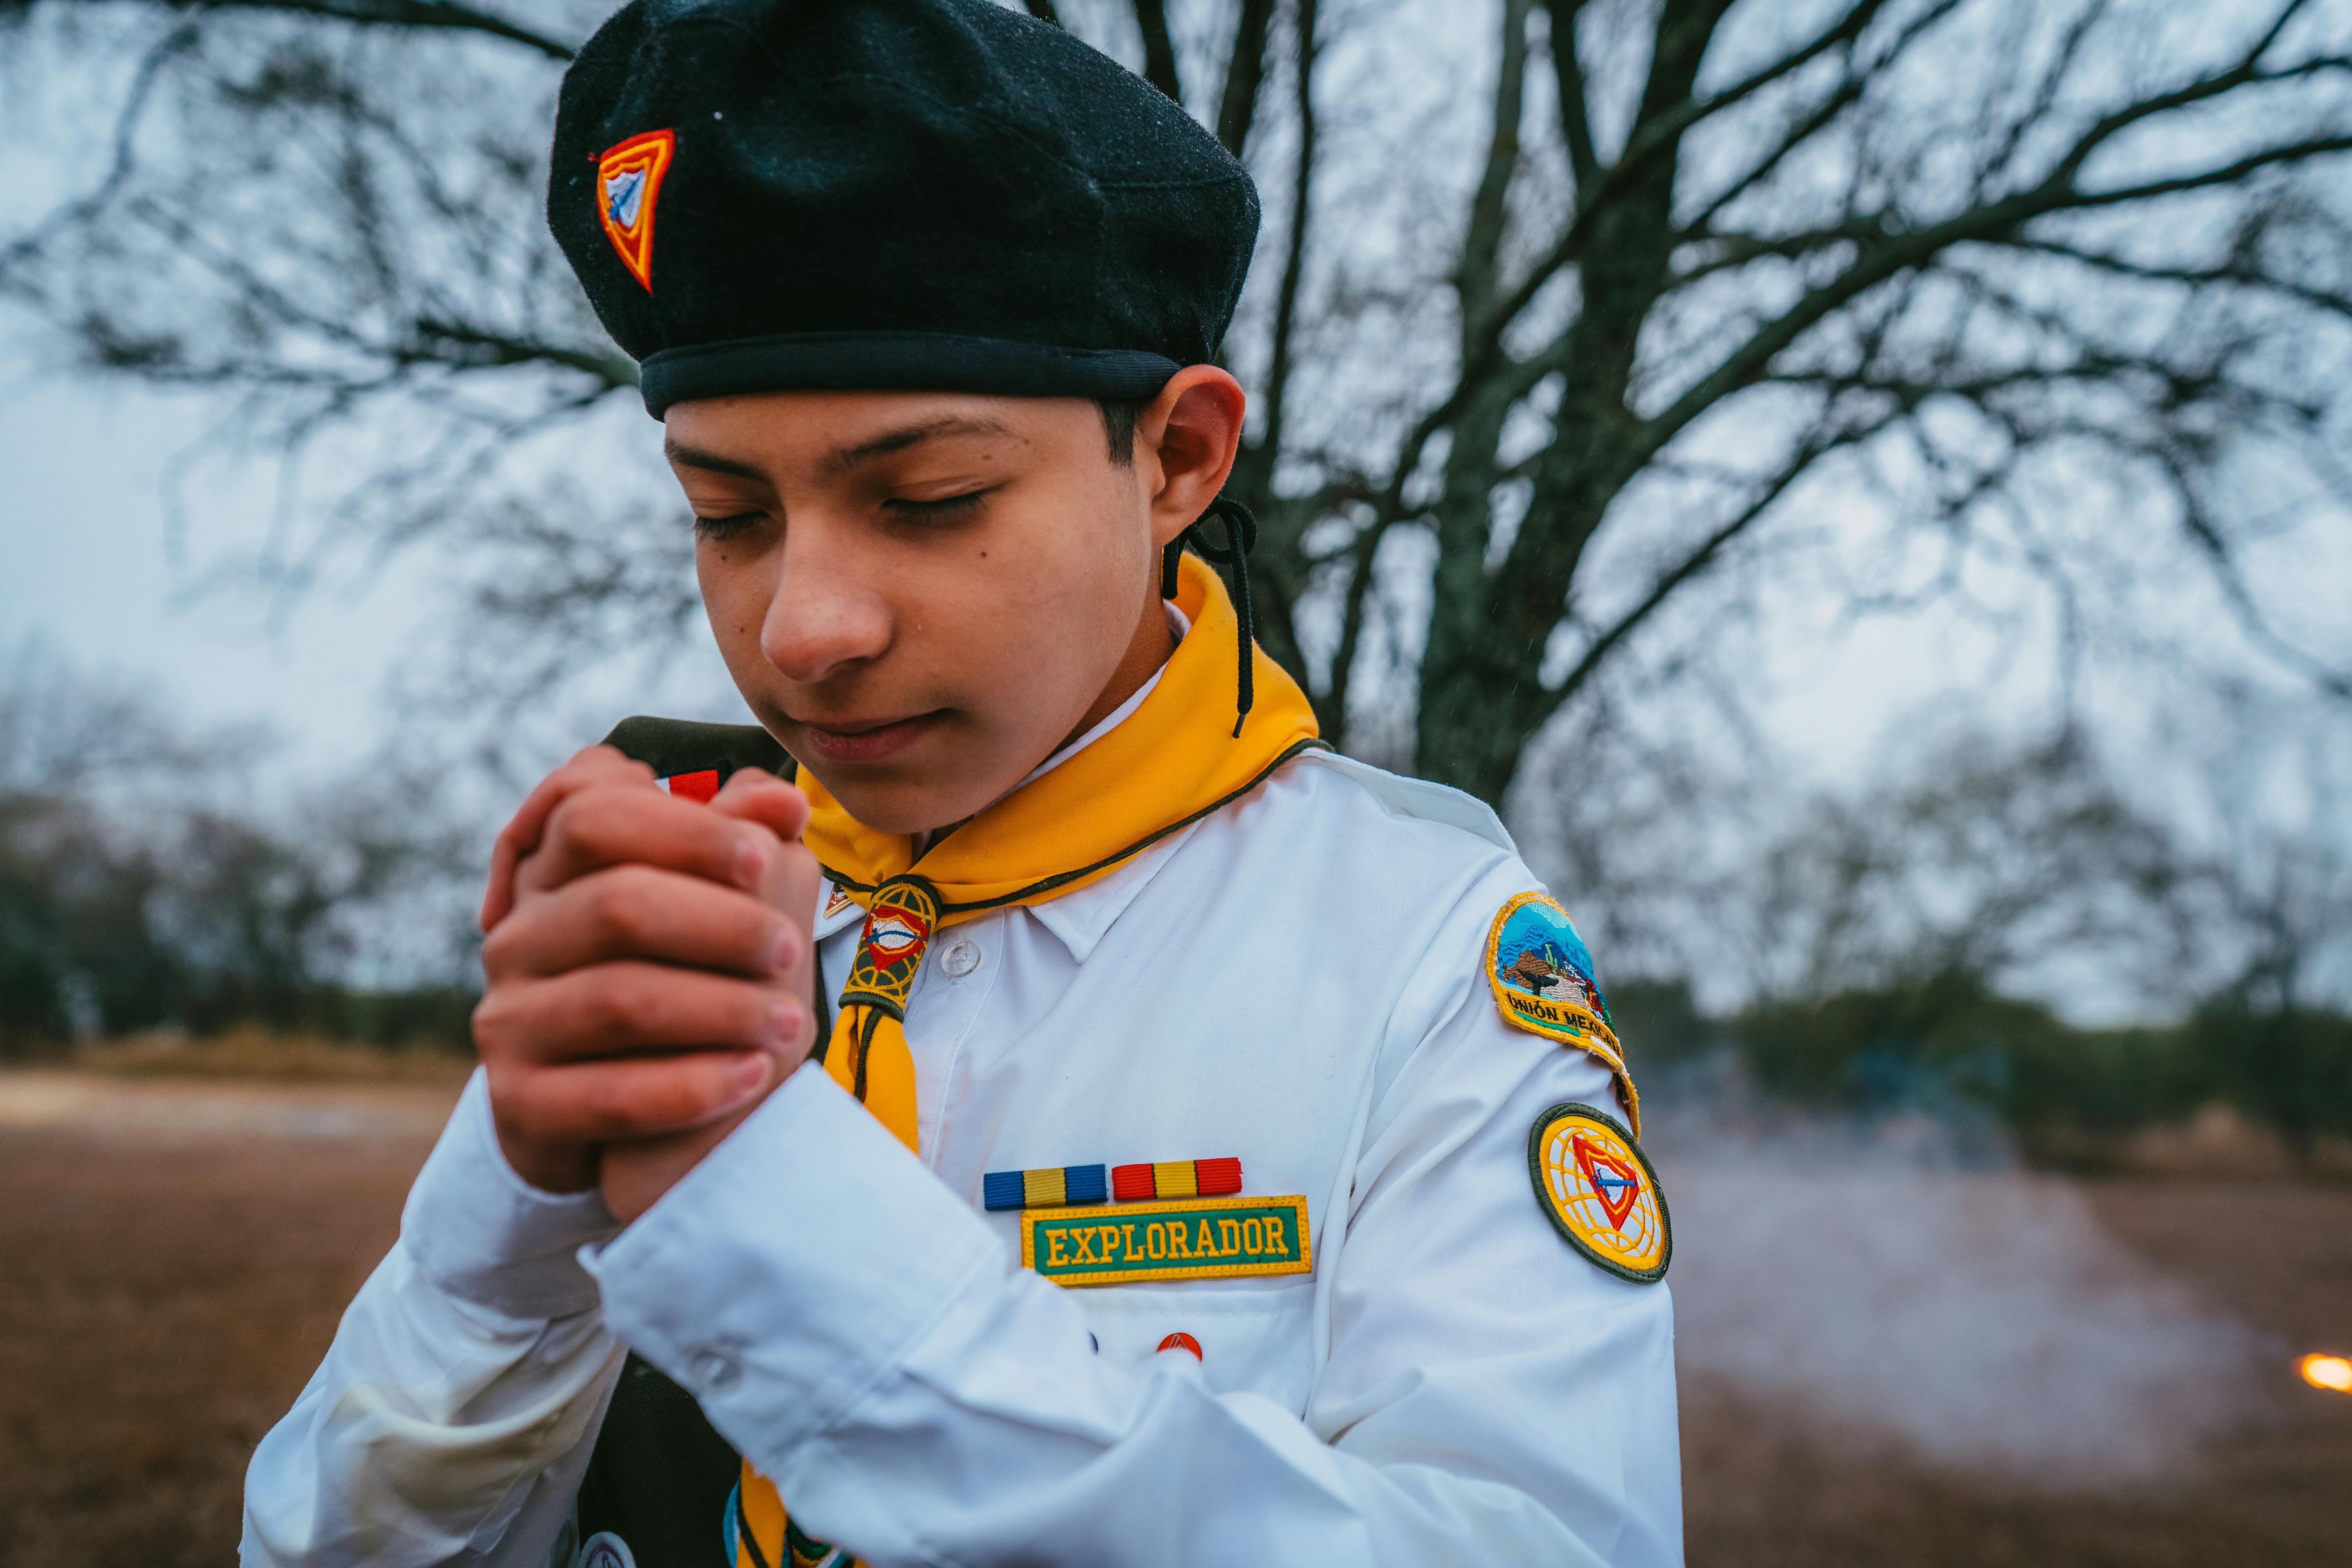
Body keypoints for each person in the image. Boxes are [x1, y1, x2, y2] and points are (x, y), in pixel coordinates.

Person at [240, 1, 1682, 1563]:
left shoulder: (1414, 942)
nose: (802, 630)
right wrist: (505, 1245)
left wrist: (814, 1278)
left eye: (929, 498)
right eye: (729, 516)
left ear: (1179, 459)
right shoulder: (682, 879)